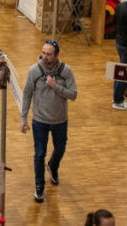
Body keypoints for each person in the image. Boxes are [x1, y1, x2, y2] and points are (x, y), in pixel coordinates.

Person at [20, 39, 77, 203]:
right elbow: (27, 94)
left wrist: (55, 86)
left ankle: (53, 166)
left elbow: (73, 95)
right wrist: (23, 118)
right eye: (43, 53)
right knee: (39, 154)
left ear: (57, 55)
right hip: (40, 121)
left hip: (60, 120)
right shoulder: (34, 71)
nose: (45, 57)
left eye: (49, 54)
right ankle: (39, 186)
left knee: (60, 149)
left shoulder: (66, 71)